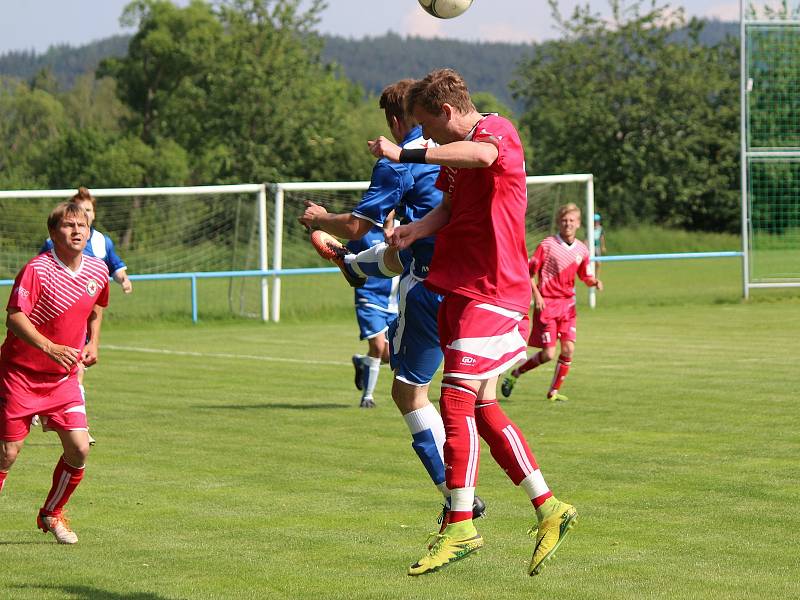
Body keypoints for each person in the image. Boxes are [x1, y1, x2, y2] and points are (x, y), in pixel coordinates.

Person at [370, 68, 577, 576]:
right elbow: (452, 208)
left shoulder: (495, 131)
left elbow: (483, 156)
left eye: (428, 127)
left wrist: (406, 153)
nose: (426, 137)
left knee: (455, 397)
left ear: (446, 112)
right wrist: (415, 230)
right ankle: (549, 507)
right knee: (481, 406)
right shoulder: (454, 154)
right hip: (459, 287)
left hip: (494, 288)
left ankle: (460, 524)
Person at [300, 79, 485, 529]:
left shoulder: (399, 161)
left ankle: (456, 494)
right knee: (480, 398)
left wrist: (319, 217)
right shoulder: (461, 146)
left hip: (429, 288)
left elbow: (358, 225)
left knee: (409, 393)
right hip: (481, 282)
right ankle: (355, 269)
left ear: (396, 121)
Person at [0, 201, 109, 544]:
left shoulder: (97, 270)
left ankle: (51, 513)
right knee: (7, 453)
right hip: (19, 375)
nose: (77, 231)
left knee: (79, 448)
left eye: (82, 225)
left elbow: (97, 306)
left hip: (62, 379)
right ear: (53, 233)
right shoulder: (38, 269)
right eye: (68, 225)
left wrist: (94, 342)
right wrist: (49, 347)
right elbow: (15, 318)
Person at [38, 187, 132, 444]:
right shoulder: (52, 246)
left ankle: (76, 425)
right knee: (62, 368)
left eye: (89, 211)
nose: (85, 216)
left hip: (85, 317)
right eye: (80, 212)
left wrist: (123, 279)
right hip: (55, 319)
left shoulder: (102, 241)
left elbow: (115, 265)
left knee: (75, 369)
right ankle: (42, 410)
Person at [501, 203, 603, 402]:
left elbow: (585, 275)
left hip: (569, 306)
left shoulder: (582, 249)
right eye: (564, 220)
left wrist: (594, 282)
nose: (568, 224)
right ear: (558, 222)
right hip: (547, 305)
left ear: (578, 223)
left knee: (569, 349)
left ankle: (553, 392)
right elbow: (529, 273)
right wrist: (537, 296)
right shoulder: (547, 245)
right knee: (548, 354)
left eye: (572, 220)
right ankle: (516, 374)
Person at [346, 222, 398, 408]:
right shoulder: (362, 231)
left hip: (395, 303)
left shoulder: (403, 228)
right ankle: (367, 397)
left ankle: (362, 362)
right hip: (369, 298)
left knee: (390, 357)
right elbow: (347, 259)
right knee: (377, 346)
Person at [593, 212, 606, 277]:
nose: (596, 222)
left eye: (597, 221)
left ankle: (597, 276)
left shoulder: (600, 228)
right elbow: (586, 239)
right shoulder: (590, 228)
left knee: (598, 263)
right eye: (594, 221)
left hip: (597, 246)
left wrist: (603, 246)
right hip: (590, 247)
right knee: (590, 262)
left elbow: (602, 238)